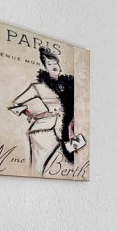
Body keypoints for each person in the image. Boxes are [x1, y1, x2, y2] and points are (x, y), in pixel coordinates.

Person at [9, 46, 77, 175]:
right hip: (44, 132)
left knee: (69, 167)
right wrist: (30, 114)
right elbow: (16, 103)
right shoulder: (38, 87)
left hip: (66, 133)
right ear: (45, 68)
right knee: (37, 170)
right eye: (49, 64)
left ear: (59, 66)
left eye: (55, 63)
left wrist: (71, 127)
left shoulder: (71, 86)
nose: (53, 66)